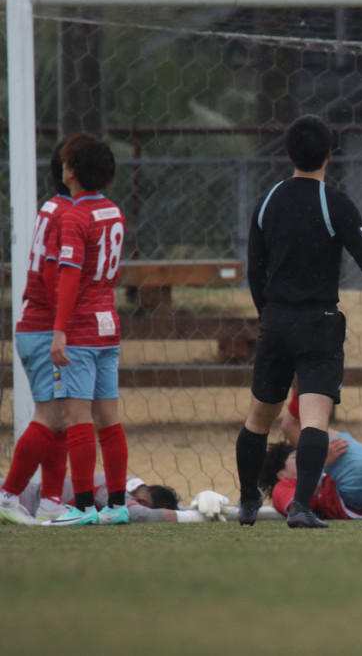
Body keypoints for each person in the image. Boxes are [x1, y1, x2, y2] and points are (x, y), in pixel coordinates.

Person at [235, 114, 362, 530]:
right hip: (319, 323)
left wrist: (268, 315)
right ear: (330, 155)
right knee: (315, 420)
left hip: (276, 321)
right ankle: (301, 507)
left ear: (288, 155)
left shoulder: (268, 201)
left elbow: (255, 269)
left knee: (259, 419)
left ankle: (247, 499)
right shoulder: (335, 203)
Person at [259, 298, 362, 520]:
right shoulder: (283, 488)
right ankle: (328, 352)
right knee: (292, 425)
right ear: (282, 474)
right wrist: (321, 464)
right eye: (296, 457)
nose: (305, 457)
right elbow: (294, 508)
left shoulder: (331, 479)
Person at [44, 133, 132, 527]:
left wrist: (59, 330)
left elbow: (70, 276)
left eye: (65, 161)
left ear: (72, 172)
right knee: (108, 418)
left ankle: (82, 507)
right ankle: (117, 505)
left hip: (80, 328)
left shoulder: (73, 216)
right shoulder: (113, 212)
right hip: (108, 324)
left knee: (75, 416)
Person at [0, 142, 74, 525]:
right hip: (45, 330)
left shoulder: (52, 207)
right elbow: (51, 274)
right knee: (50, 416)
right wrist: (63, 325)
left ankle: (51, 502)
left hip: (37, 326)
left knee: (60, 417)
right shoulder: (65, 214)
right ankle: (8, 495)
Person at [0, 474, 229, 524]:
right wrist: (196, 517)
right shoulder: (115, 488)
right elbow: (139, 515)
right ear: (142, 500)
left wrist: (202, 500)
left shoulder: (130, 485)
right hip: (17, 500)